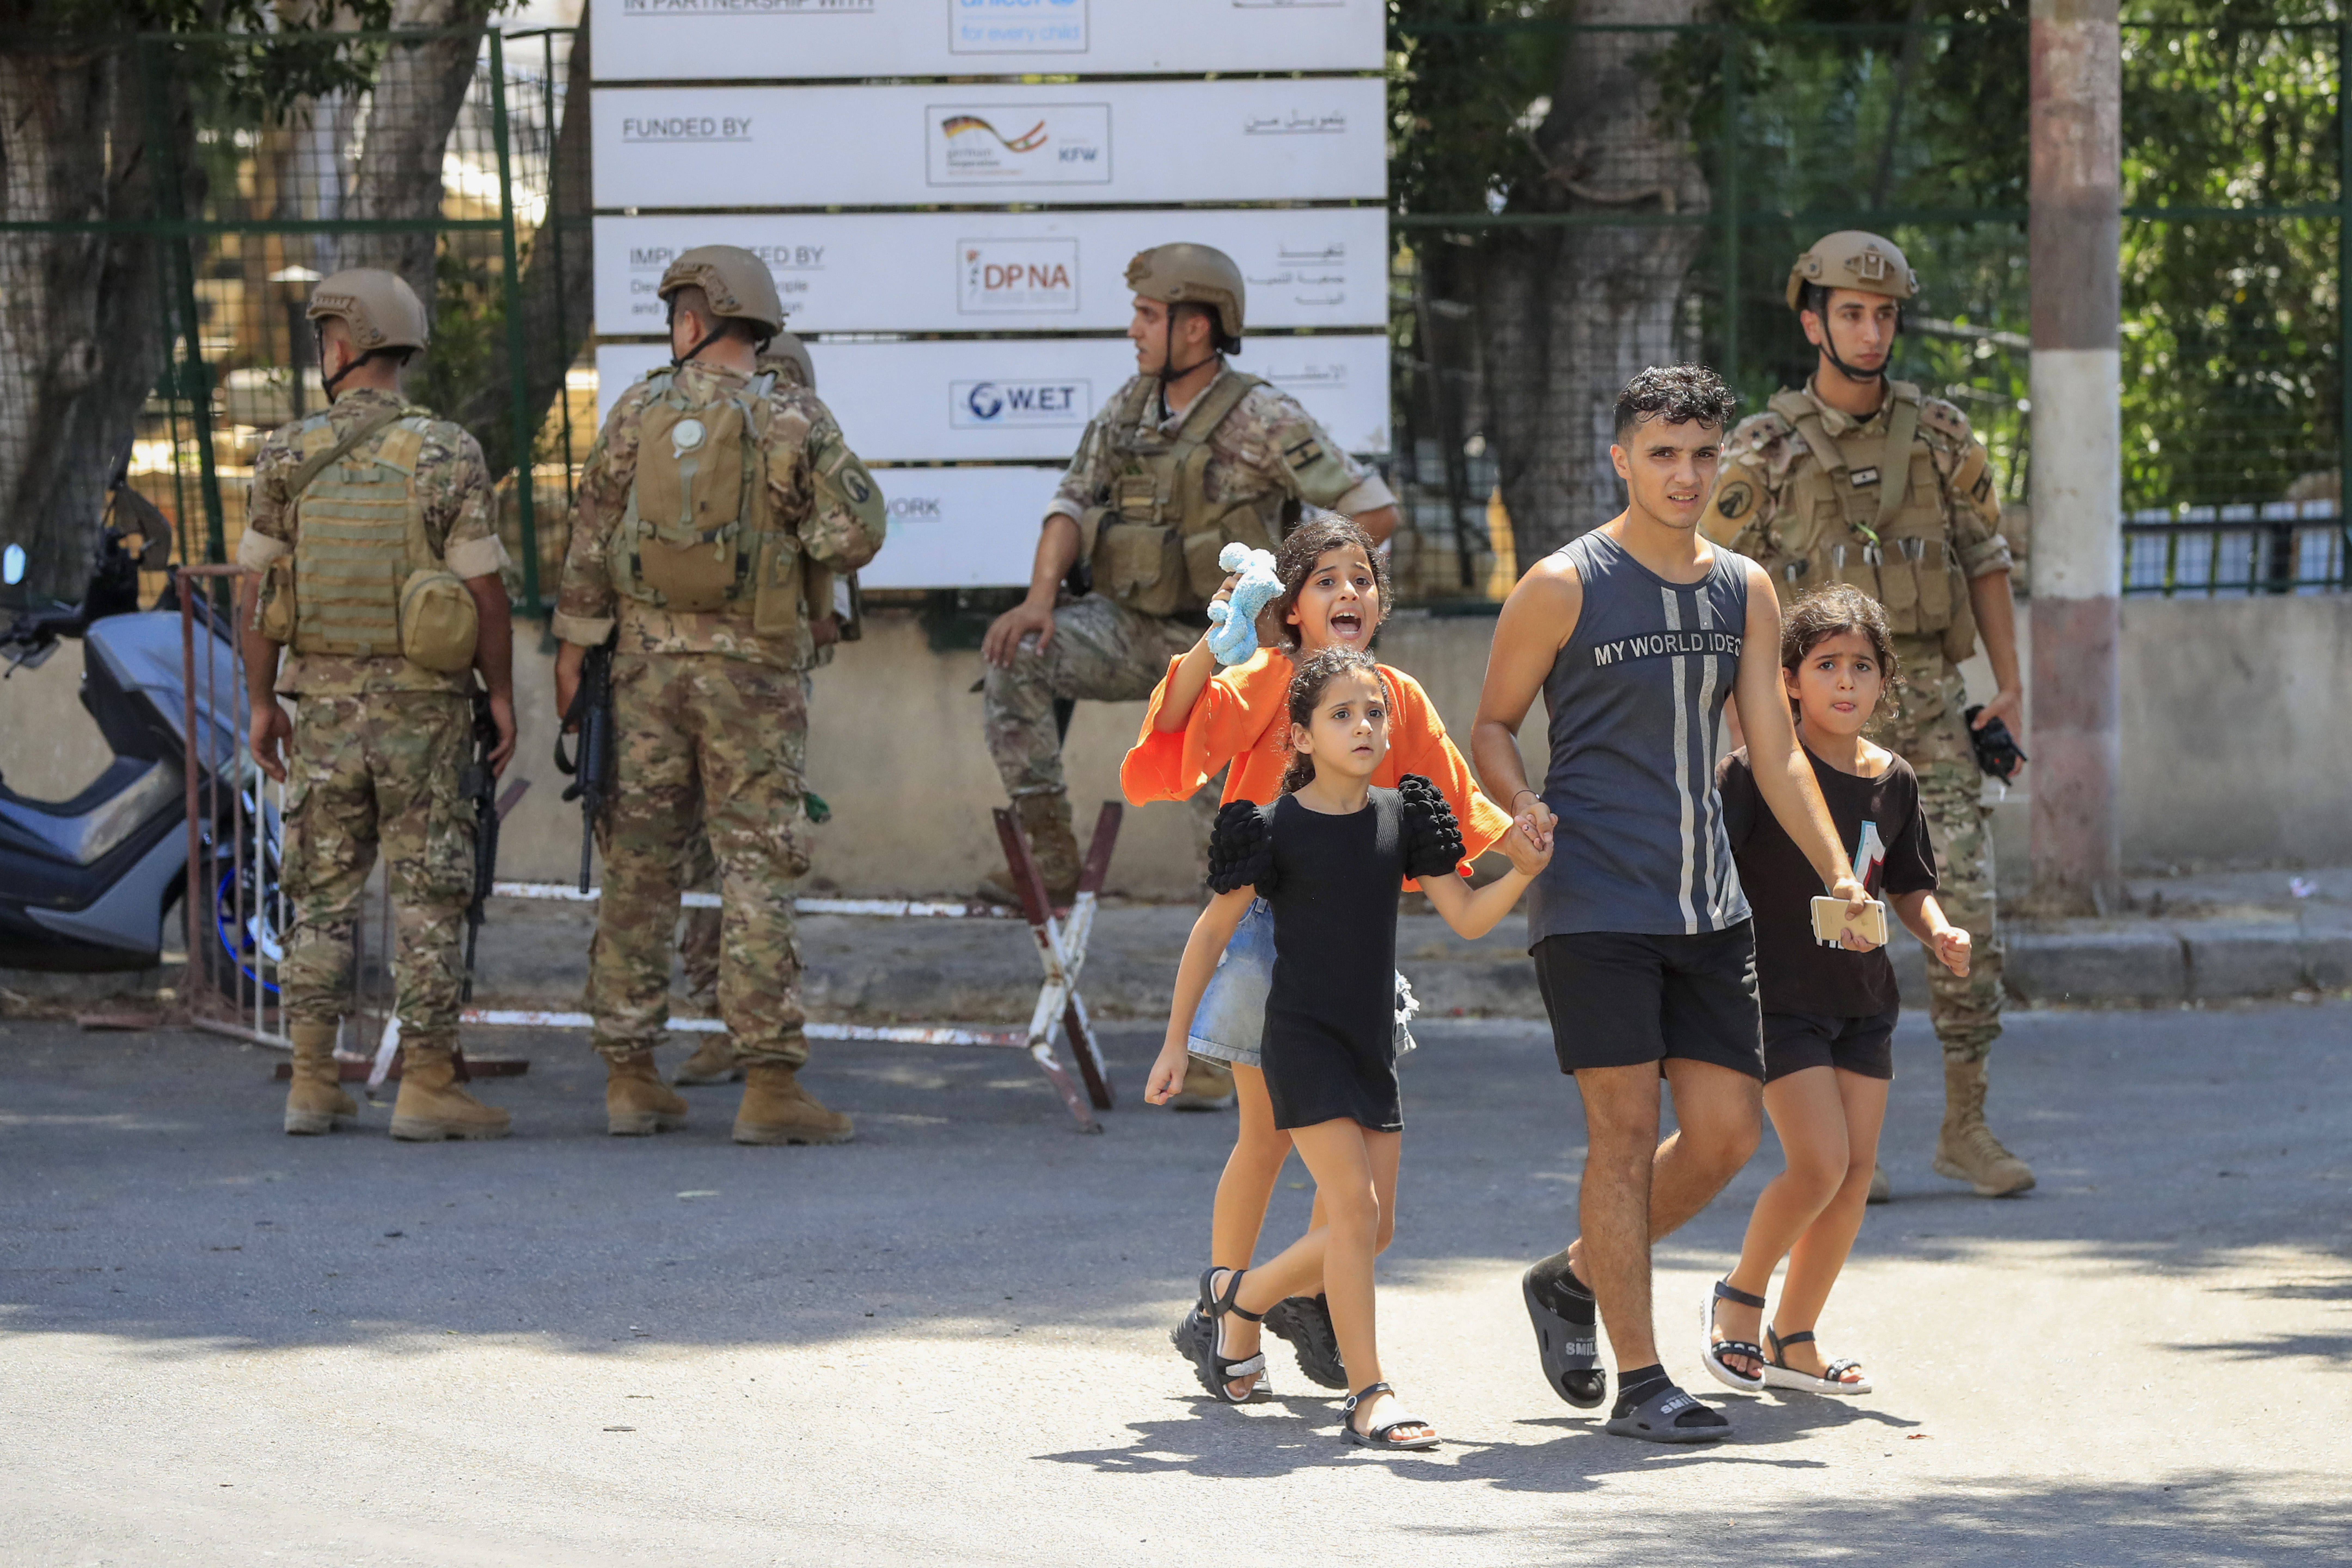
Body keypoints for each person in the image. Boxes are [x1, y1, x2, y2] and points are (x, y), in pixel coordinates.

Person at [1470, 364, 1872, 1442]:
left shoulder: (1745, 588)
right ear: (1623, 459)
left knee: (1731, 1135)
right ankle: (1643, 1378)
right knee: (1623, 1128)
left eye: (1702, 455)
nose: (1686, 475)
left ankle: (1568, 1278)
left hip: (1711, 909)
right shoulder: (1561, 584)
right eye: (1663, 455)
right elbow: (1493, 725)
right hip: (1593, 902)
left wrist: (1837, 869)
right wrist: (1519, 803)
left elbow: (1776, 752)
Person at [978, 242, 1399, 1114]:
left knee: (1248, 853)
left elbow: (1373, 509)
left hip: (1237, 657)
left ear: (1195, 325)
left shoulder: (1262, 415)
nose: (1134, 331)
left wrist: (1296, 602)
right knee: (1019, 658)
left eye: (1148, 316)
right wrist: (1039, 601)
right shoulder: (1130, 409)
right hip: (1139, 634)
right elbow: (1070, 502)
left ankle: (1239, 1046)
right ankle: (1053, 858)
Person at [1122, 512, 1531, 1397]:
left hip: (1356, 950)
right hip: (1272, 944)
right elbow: (1177, 725)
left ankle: (1291, 1299)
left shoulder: (1397, 696)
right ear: (1293, 608)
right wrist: (1214, 640)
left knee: (1349, 1186)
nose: (1351, 592)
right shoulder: (1263, 679)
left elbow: (1459, 807)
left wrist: (1532, 849)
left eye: (1364, 579)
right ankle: (1226, 1322)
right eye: (1327, 580)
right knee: (1266, 1142)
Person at [1705, 231, 2031, 1202]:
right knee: (1829, 925)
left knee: (1964, 910)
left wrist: (2008, 686)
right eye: (1851, 311)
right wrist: (1743, 725)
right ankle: (1848, 1145)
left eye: (1885, 313)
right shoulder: (1760, 452)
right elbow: (1724, 594)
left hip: (1928, 704)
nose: (1871, 330)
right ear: (1813, 322)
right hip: (1811, 728)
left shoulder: (1939, 436)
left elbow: (1986, 557)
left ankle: (1966, 1125)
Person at [552, 245, 885, 1143]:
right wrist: (793, 532)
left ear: (693, 322)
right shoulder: (790, 415)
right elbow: (857, 534)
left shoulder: (635, 410)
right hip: (754, 679)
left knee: (640, 867)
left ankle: (630, 1076)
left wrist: (575, 651)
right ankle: (769, 1085)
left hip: (643, 673)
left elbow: (588, 538)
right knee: (755, 868)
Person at [237, 268, 519, 1141]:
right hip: (423, 712)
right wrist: (502, 693)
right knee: (429, 895)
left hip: (319, 708)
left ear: (343, 346)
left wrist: (258, 701)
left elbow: (257, 588)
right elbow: (485, 589)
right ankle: (428, 1084)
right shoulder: (448, 451)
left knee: (321, 895)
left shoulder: (287, 451)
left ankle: (313, 1081)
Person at [1704, 584, 1972, 1398]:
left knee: (1855, 1173)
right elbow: (1710, 872)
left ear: (1885, 682)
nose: (1845, 683)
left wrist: (1941, 930)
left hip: (1864, 997)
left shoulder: (1893, 781)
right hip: (1778, 996)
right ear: (1789, 680)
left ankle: (1797, 1338)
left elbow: (1909, 885)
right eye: (1827, 666)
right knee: (1818, 1163)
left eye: (1862, 667)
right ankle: (1739, 1301)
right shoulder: (1751, 775)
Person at [669, 329, 831, 1090]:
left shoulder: (799, 432)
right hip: (694, 673)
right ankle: (719, 1020)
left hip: (764, 674)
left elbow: (833, 558)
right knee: (707, 859)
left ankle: (754, 1030)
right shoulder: (682, 442)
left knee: (753, 863)